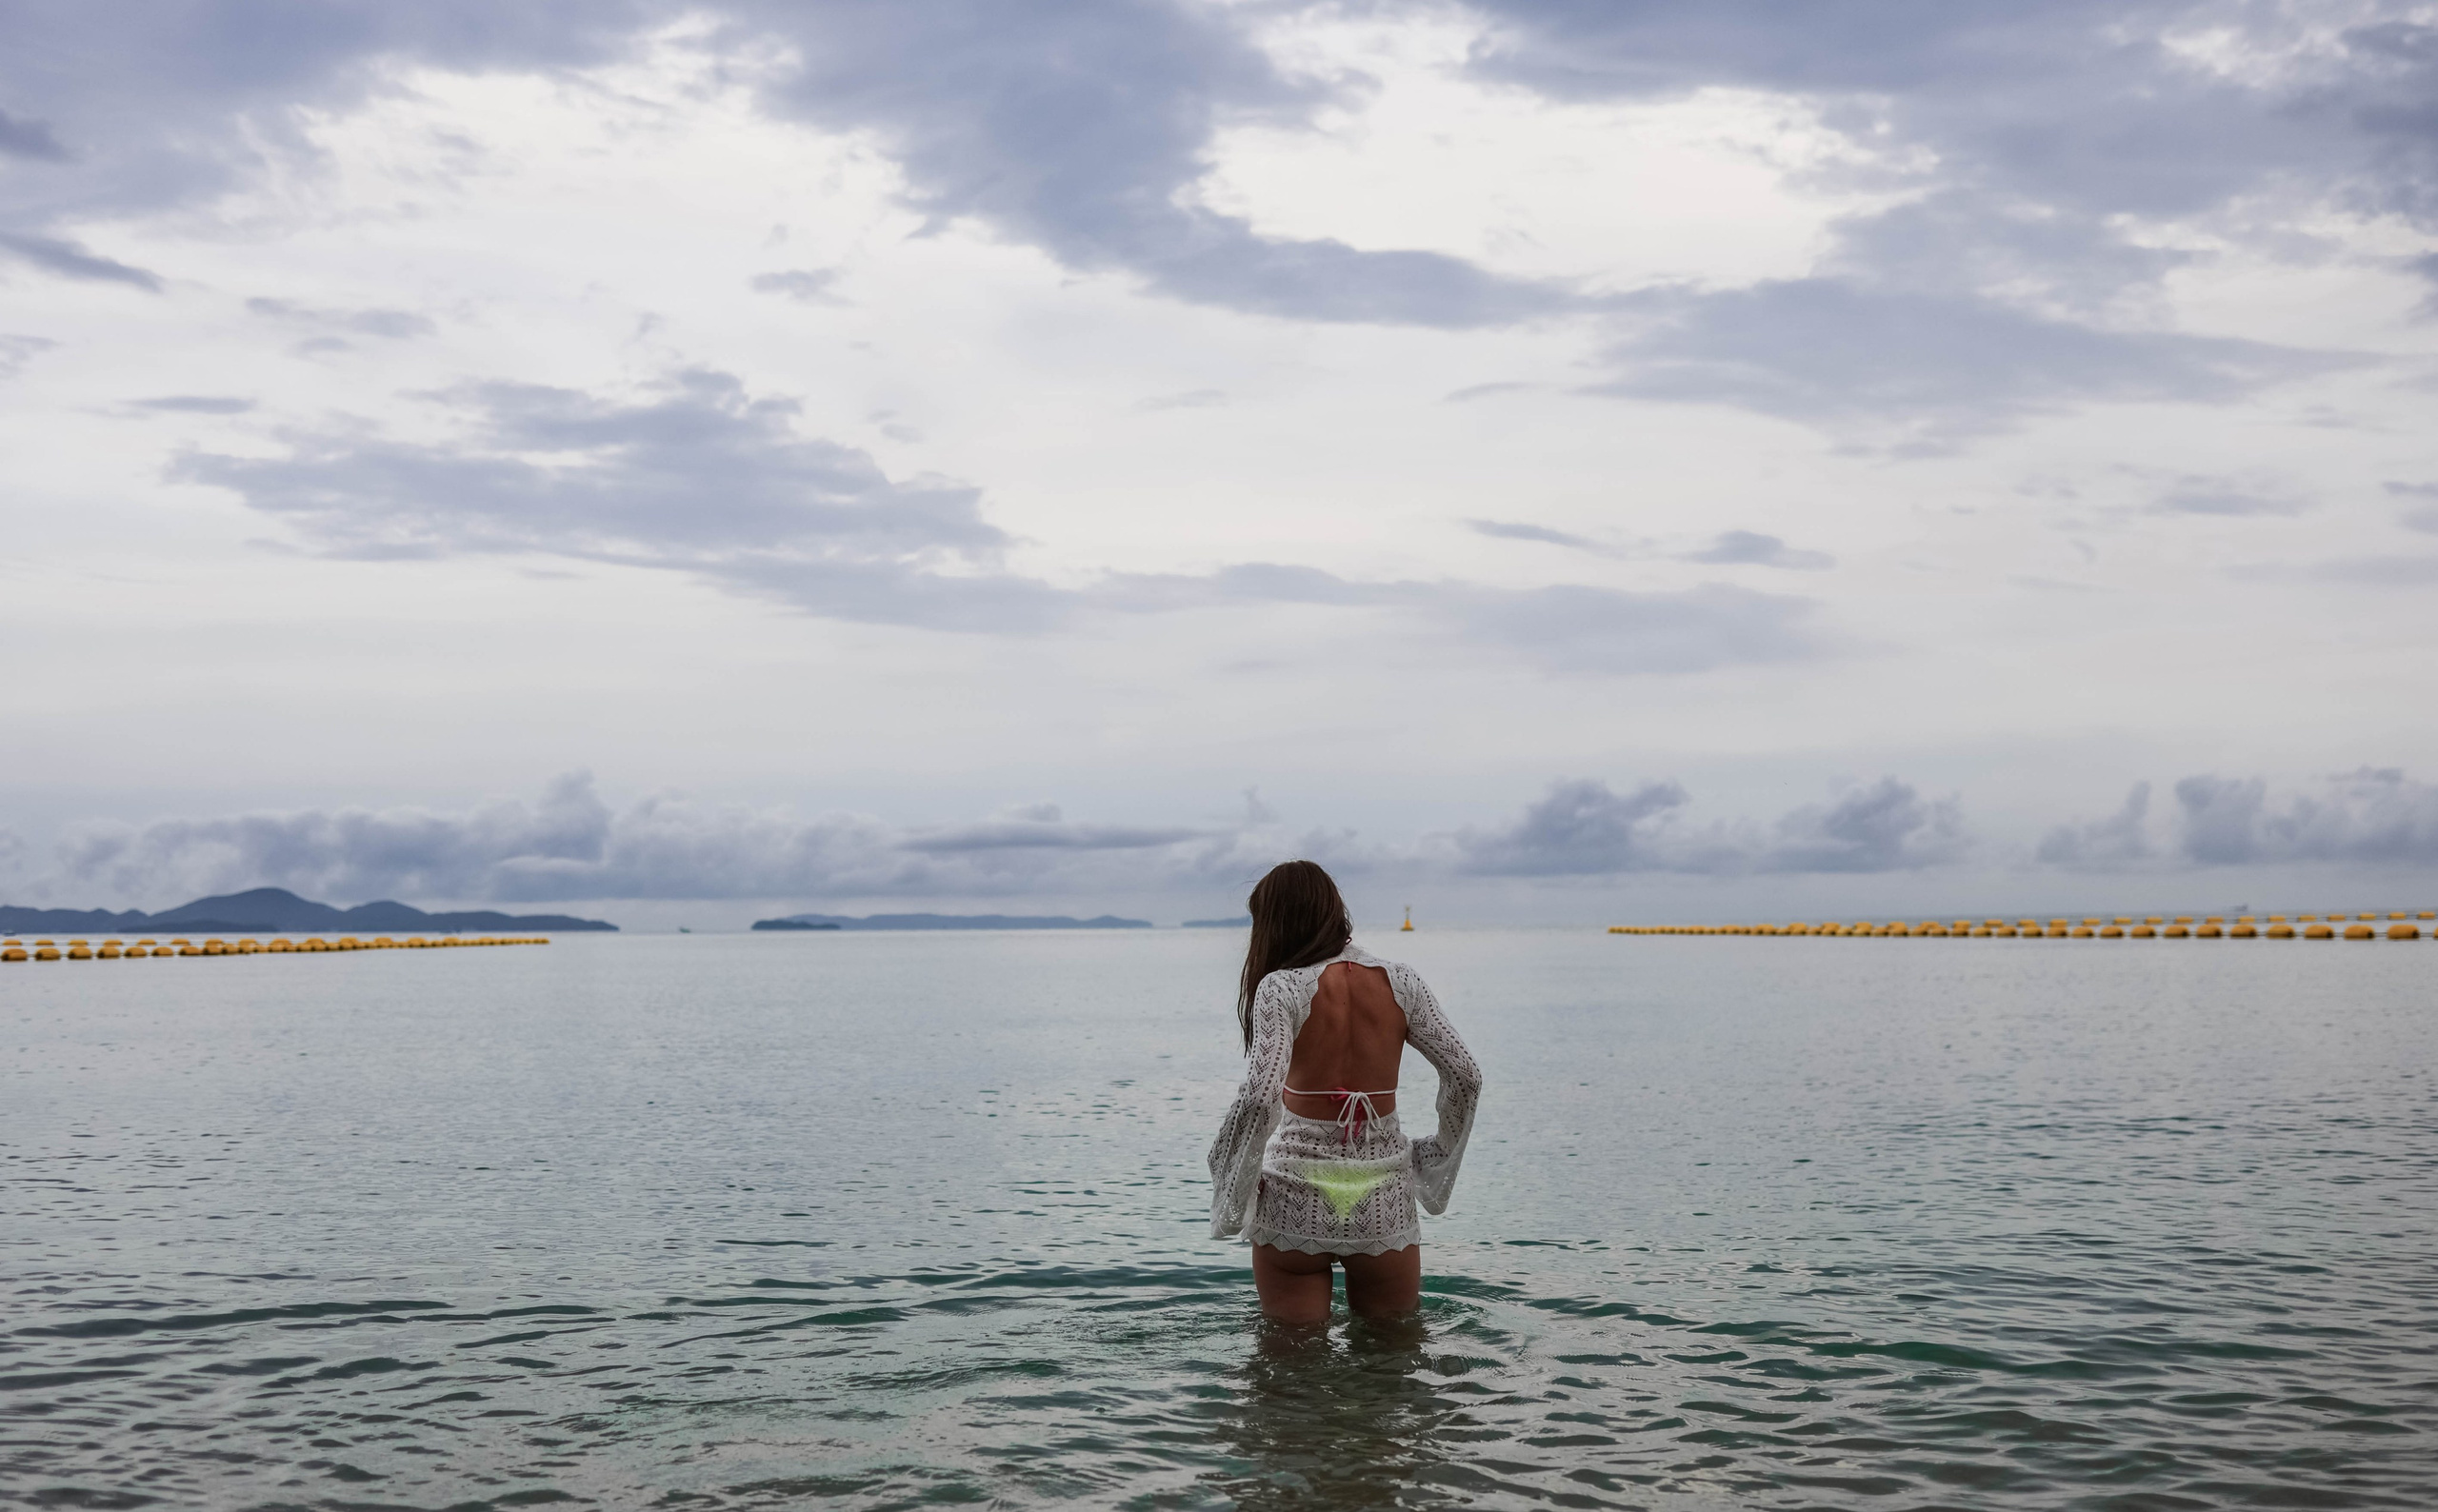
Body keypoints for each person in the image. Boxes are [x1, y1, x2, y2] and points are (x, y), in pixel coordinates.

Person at [1208, 860, 1484, 1324]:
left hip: (1296, 1193)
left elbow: (1259, 1095)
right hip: (1383, 1193)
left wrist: (1239, 1171)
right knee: (1392, 1359)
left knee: (1287, 1365)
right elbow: (1466, 1076)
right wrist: (1433, 1154)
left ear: (1277, 923)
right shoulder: (1402, 981)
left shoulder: (1282, 987)